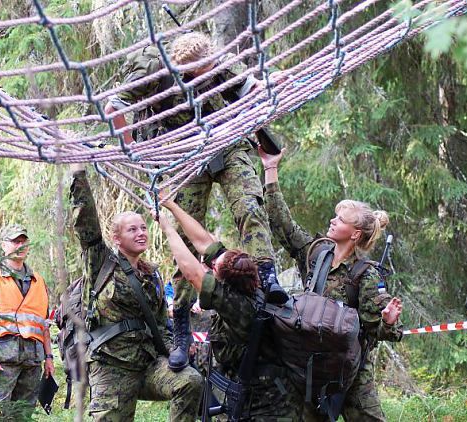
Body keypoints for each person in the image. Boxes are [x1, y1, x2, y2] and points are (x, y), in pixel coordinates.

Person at [105, 30, 287, 372]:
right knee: (185, 242)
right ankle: (182, 329)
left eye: (212, 63)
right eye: (203, 68)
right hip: (186, 155)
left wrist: (278, 83)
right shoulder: (157, 76)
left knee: (249, 206)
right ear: (184, 68)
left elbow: (253, 88)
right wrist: (133, 149)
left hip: (227, 141)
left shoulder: (219, 66)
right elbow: (113, 107)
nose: (211, 69)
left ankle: (268, 276)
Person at [259, 147, 403, 421]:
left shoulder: (365, 275)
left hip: (351, 370)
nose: (332, 220)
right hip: (312, 366)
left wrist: (388, 321)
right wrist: (270, 169)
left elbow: (385, 331)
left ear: (355, 233)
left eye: (340, 219)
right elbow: (282, 225)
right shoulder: (316, 253)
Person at [70, 168, 203, 422]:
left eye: (143, 228)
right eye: (132, 230)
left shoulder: (152, 275)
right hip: (112, 365)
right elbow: (87, 226)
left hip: (148, 364)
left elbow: (162, 323)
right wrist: (79, 176)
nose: (141, 233)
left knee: (190, 381)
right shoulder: (101, 263)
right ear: (116, 238)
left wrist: (176, 348)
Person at [154, 198, 303, 421]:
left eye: (212, 268)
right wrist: (170, 206)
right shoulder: (251, 280)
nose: (209, 266)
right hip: (259, 391)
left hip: (268, 406)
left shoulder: (239, 306)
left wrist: (167, 228)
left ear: (223, 279)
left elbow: (191, 271)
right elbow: (204, 242)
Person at [0, 224, 55, 420]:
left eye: (23, 241)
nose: (20, 245)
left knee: (24, 413)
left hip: (33, 359)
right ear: (3, 245)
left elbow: (43, 325)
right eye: (15, 241)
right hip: (3, 359)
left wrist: (49, 358)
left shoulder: (38, 281)